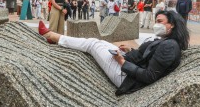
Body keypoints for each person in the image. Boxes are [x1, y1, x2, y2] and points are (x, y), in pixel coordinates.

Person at [38, 10, 189, 95]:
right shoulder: (166, 41)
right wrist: (129, 51)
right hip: (128, 67)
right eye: (156, 21)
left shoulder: (169, 46)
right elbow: (148, 57)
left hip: (126, 78)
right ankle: (56, 38)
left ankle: (53, 36)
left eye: (160, 21)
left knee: (93, 43)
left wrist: (122, 62)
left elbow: (150, 76)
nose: (156, 25)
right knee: (102, 42)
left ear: (172, 25)